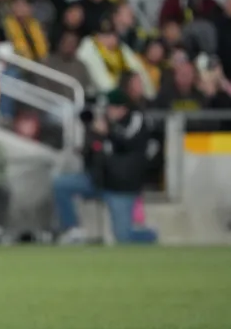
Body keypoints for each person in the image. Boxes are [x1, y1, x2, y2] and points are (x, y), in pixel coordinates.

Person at [53, 89, 157, 244]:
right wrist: (89, 140)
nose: (108, 111)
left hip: (121, 186)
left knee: (123, 237)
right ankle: (73, 229)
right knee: (60, 184)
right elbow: (93, 153)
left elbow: (126, 143)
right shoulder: (103, 122)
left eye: (111, 107)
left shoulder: (135, 120)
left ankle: (151, 235)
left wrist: (107, 133)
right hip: (98, 180)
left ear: (122, 108)